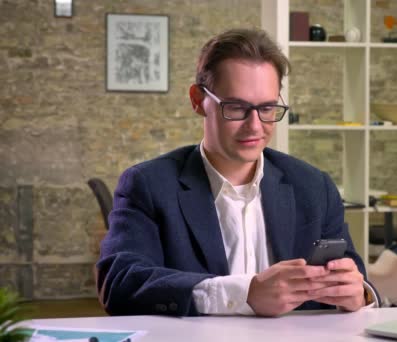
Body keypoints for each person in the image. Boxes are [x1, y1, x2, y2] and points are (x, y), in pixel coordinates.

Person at [96, 28, 378, 317]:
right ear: (197, 100)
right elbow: (119, 285)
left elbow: (358, 281)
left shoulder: (314, 186)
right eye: (236, 108)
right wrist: (246, 294)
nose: (255, 126)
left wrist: (359, 295)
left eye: (267, 108)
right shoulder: (149, 185)